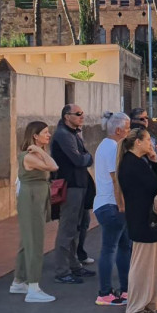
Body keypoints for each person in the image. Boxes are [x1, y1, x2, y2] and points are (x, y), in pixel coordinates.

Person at [119, 128, 157, 313]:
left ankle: (152, 299)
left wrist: (154, 162)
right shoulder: (132, 163)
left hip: (146, 218)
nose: (150, 144)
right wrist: (153, 165)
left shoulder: (138, 162)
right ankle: (136, 305)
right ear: (137, 142)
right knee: (141, 264)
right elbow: (156, 186)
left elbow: (154, 183)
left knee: (152, 264)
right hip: (141, 219)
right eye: (147, 140)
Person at [10, 121, 59, 303]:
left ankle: (19, 280)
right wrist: (38, 150)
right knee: (35, 242)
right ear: (34, 136)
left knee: (27, 241)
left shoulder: (36, 154)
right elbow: (53, 166)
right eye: (45, 133)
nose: (48, 135)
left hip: (37, 198)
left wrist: (40, 150)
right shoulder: (30, 156)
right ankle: (33, 287)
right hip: (31, 199)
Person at [50, 104, 96, 284]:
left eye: (82, 114)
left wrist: (86, 157)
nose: (81, 117)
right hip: (70, 187)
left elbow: (85, 157)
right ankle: (62, 271)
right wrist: (86, 157)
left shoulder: (73, 134)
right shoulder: (63, 134)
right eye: (78, 114)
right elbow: (79, 159)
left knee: (78, 226)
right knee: (67, 229)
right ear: (66, 116)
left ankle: (74, 265)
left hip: (80, 186)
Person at [91, 112, 132, 306]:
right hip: (111, 205)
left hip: (107, 204)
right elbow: (116, 179)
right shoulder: (113, 148)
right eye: (128, 128)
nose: (130, 131)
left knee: (123, 247)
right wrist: (122, 205)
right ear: (118, 130)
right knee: (110, 249)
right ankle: (105, 292)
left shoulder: (105, 146)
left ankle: (125, 290)